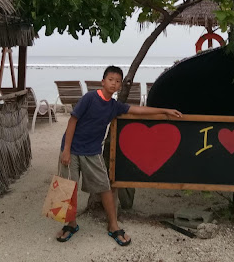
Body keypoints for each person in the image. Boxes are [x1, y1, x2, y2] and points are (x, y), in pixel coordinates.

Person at [55, 65, 182, 245]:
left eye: (117, 82)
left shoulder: (114, 106)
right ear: (103, 81)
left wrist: (165, 111)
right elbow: (72, 121)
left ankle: (113, 225)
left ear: (120, 86)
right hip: (72, 149)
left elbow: (137, 110)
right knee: (67, 187)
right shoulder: (89, 98)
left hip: (92, 152)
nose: (114, 84)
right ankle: (70, 223)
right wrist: (66, 149)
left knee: (105, 187)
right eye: (110, 80)